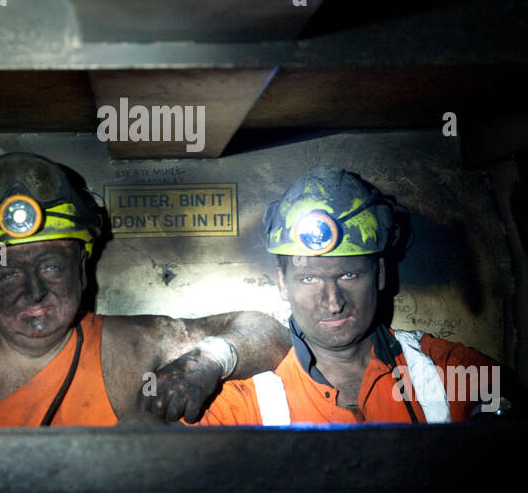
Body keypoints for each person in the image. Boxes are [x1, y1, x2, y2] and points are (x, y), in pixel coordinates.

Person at [0, 152, 287, 427]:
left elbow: (267, 333)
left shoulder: (132, 345)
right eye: (7, 274)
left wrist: (207, 361)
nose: (33, 291)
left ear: (82, 268)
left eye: (51, 266)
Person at [191, 166, 499, 426]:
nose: (333, 301)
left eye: (348, 275)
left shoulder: (452, 373)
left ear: (379, 273)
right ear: (283, 283)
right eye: (309, 278)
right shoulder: (241, 403)